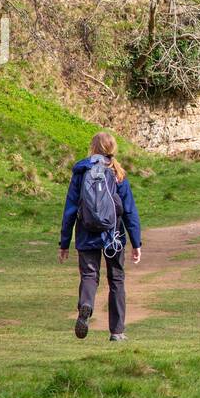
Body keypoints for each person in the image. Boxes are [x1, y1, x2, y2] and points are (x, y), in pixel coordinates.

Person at [59, 132, 142, 342]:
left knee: (89, 275)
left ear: (93, 148)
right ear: (112, 149)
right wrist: (136, 242)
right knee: (116, 280)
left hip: (86, 233)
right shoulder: (117, 174)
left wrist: (64, 242)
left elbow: (70, 209)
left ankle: (86, 305)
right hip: (113, 235)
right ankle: (117, 331)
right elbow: (130, 210)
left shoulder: (81, 172)